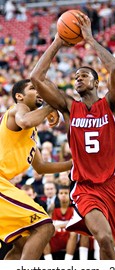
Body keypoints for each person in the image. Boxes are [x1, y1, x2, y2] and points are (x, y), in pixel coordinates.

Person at [30, 13, 115, 260]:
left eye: (83, 75)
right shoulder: (71, 108)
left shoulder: (112, 104)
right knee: (103, 238)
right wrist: (58, 41)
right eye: (75, 77)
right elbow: (35, 78)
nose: (77, 78)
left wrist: (90, 39)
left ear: (95, 81)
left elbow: (114, 67)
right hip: (86, 188)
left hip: (114, 184)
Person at [0, 79, 72, 260]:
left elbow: (41, 167)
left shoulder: (31, 133)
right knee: (45, 226)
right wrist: (50, 107)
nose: (39, 91)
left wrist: (76, 163)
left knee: (23, 243)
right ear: (19, 96)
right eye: (33, 88)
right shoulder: (19, 109)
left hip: (4, 184)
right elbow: (24, 121)